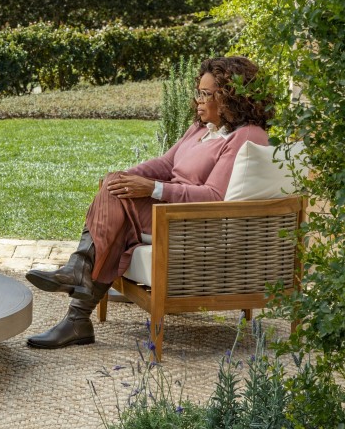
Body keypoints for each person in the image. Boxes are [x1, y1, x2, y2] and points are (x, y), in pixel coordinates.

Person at [25, 56, 273, 349]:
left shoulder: (245, 136)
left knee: (116, 200)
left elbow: (213, 196)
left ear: (230, 96)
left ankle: (78, 288)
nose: (198, 101)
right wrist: (127, 177)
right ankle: (77, 312)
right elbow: (166, 162)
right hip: (164, 208)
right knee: (115, 190)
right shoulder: (201, 129)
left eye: (207, 94)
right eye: (199, 92)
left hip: (188, 220)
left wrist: (152, 188)